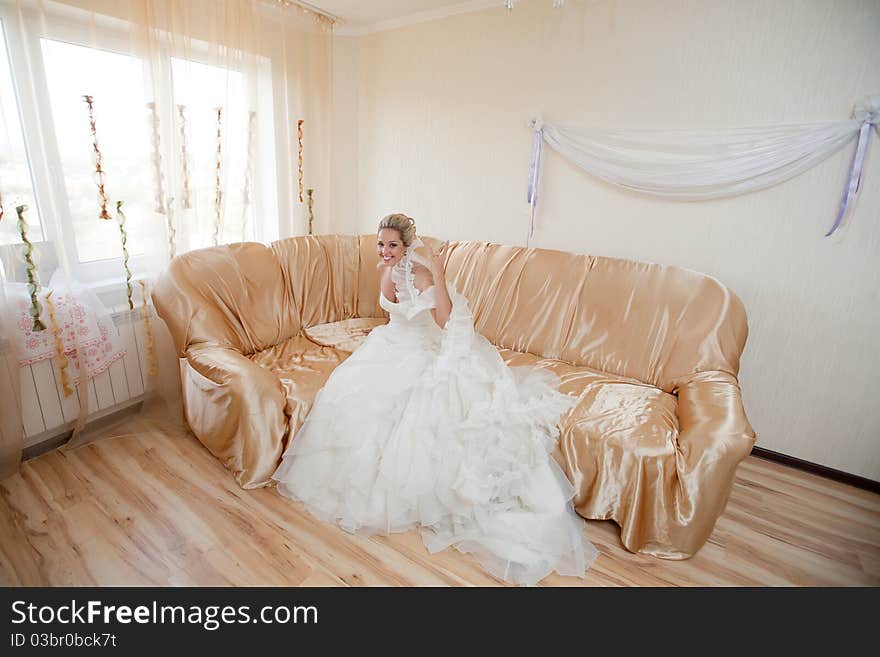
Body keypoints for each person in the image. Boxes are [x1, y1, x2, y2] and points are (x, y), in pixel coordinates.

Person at [272, 213, 598, 585]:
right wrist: (387, 270)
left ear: (408, 246)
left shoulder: (422, 276)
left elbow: (445, 322)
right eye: (381, 244)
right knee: (352, 400)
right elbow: (391, 313)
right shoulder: (386, 269)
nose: (385, 250)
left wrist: (440, 278)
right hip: (389, 345)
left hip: (420, 348)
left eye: (392, 245)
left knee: (417, 411)